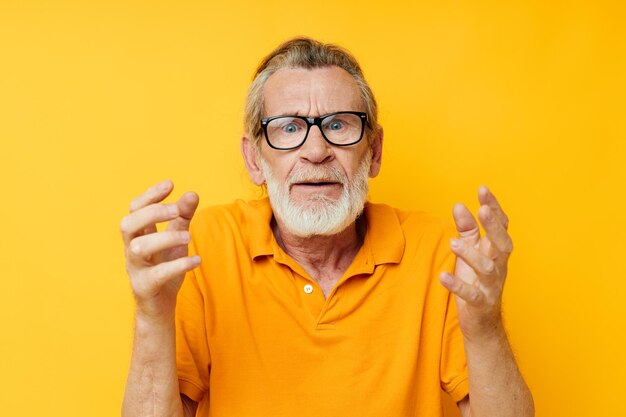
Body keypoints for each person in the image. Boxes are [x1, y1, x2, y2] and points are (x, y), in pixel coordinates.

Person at [120, 37, 534, 417]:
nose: (316, 151)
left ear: (373, 153)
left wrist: (485, 327)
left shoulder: (437, 253)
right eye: (289, 128)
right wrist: (152, 316)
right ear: (253, 160)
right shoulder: (205, 247)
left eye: (338, 125)